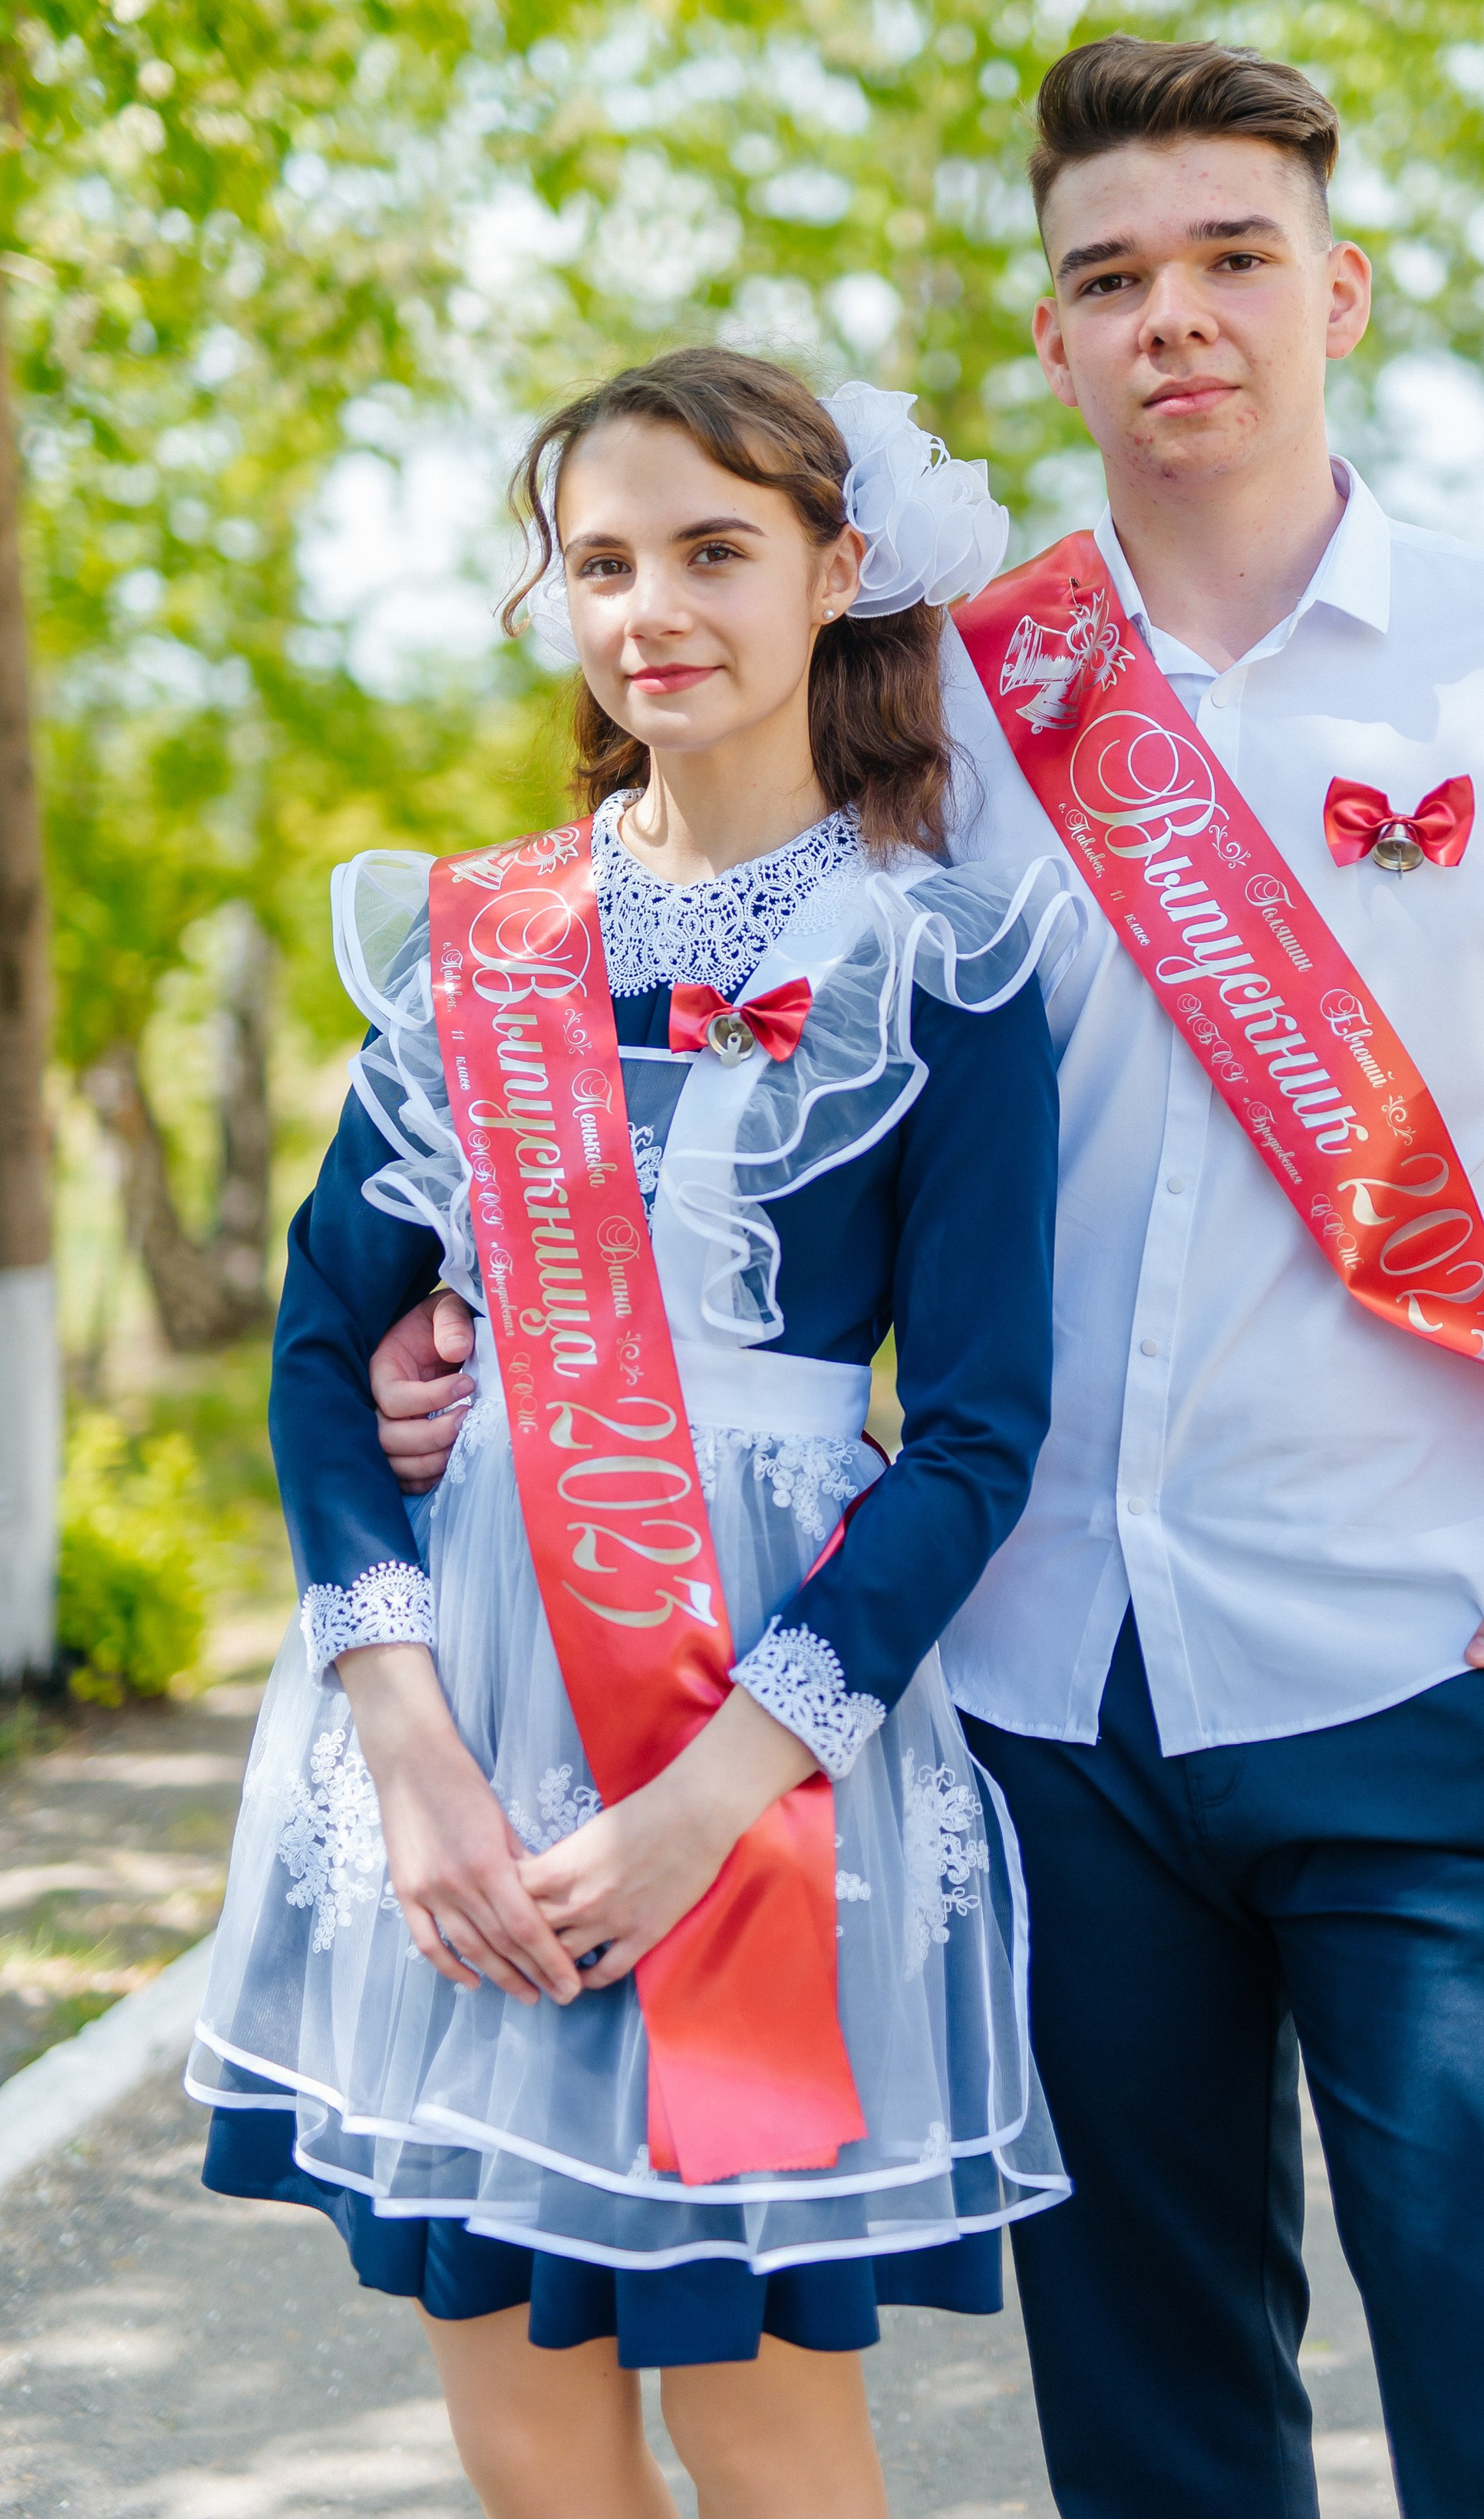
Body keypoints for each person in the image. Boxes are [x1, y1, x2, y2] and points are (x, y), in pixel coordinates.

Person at [377, 41, 1484, 2519]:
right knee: (1158, 2423)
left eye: (1233, 257)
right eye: (1111, 275)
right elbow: (681, 976)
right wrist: (465, 1299)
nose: (1176, 314)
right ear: (1051, 340)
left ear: (1340, 290)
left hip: (1436, 1652)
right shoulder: (930, 692)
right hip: (1028, 1689)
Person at [188, 348, 1078, 2519]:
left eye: (713, 550)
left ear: (835, 570)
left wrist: (713, 1797)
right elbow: (327, 1354)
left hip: (752, 1741)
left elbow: (974, 1437)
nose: (651, 606)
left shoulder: (939, 964)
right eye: (600, 560)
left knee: (763, 2416)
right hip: (462, 1743)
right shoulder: (471, 942)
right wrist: (402, 1752)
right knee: (519, 2421)